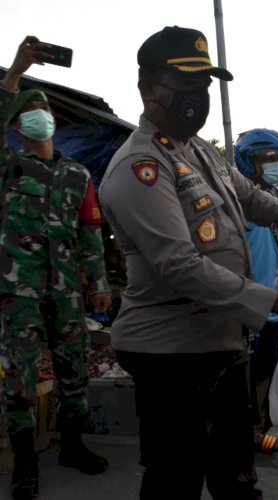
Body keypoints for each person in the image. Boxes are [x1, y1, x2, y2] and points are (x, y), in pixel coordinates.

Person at [99, 26, 278, 499]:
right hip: (170, 355)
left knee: (237, 478)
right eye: (184, 86)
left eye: (203, 86)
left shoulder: (201, 151)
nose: (196, 98)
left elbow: (251, 197)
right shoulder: (142, 168)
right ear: (147, 88)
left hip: (218, 344)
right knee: (176, 480)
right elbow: (178, 264)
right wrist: (273, 300)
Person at [0, 37, 112, 499]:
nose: (41, 112)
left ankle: (72, 446)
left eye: (45, 107)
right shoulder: (8, 166)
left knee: (74, 374)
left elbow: (90, 230)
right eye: (31, 107)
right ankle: (25, 463)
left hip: (66, 289)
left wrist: (99, 283)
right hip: (18, 289)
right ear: (18, 123)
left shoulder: (78, 174)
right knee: (23, 377)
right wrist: (14, 76)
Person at [234, 128, 278, 439]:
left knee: (265, 372)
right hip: (247, 308)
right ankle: (246, 432)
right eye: (268, 158)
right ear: (248, 162)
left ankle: (259, 425)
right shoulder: (235, 202)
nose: (276, 164)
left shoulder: (275, 200)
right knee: (244, 375)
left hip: (272, 308)